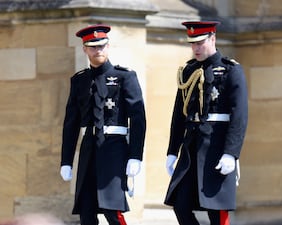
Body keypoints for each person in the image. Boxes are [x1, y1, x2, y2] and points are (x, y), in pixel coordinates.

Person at [60, 24, 146, 225]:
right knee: (86, 212)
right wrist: (66, 160)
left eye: (101, 46)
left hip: (114, 149)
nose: (98, 50)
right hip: (89, 149)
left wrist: (135, 155)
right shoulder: (79, 80)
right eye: (93, 47)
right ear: (85, 49)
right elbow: (71, 123)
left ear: (108, 47)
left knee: (112, 210)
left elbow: (138, 118)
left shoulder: (125, 77)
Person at [164, 21, 248, 225]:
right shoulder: (188, 71)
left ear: (213, 38)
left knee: (216, 211)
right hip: (192, 149)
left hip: (217, 149)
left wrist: (231, 152)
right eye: (193, 44)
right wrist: (173, 150)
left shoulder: (231, 70)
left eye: (200, 43)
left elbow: (239, 116)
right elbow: (179, 115)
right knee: (180, 205)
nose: (196, 48)